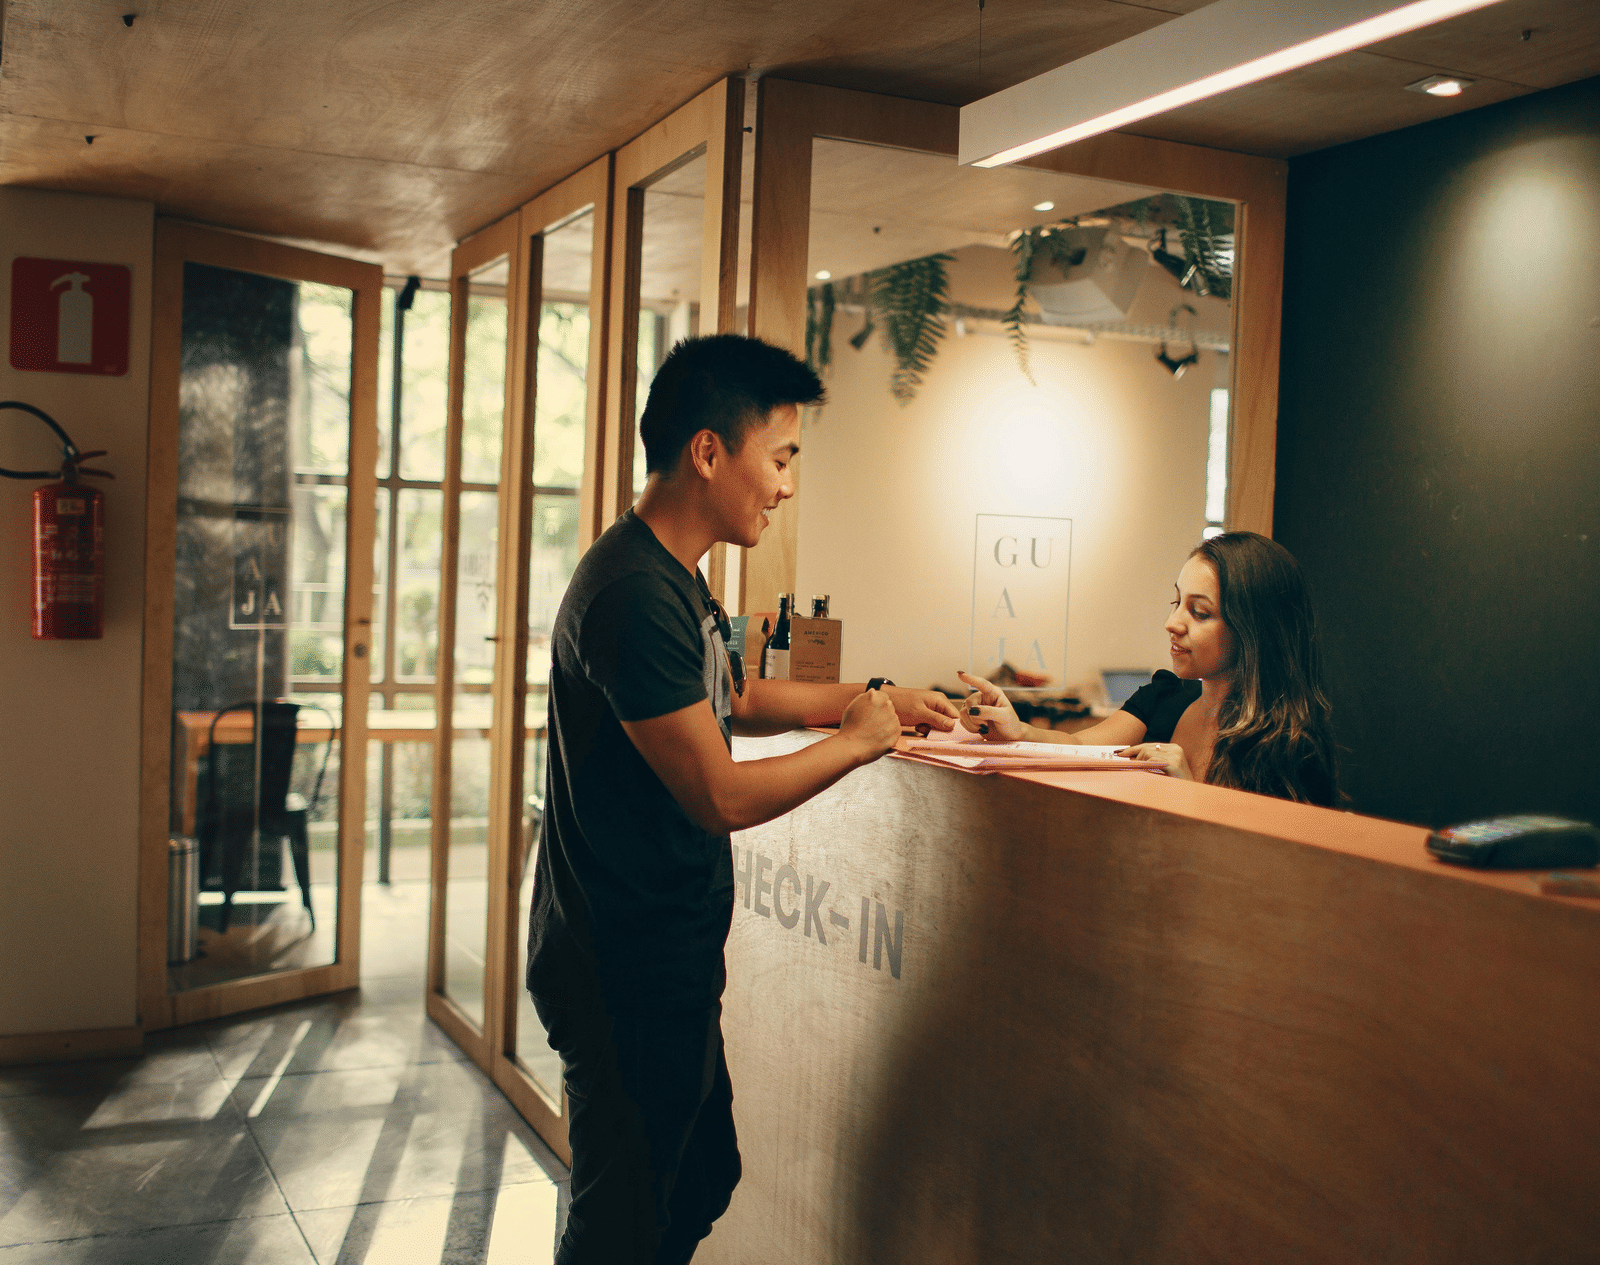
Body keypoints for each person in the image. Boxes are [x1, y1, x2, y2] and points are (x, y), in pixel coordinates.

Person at [526, 333, 959, 1265]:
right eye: (781, 456)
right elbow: (716, 794)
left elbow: (741, 699)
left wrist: (872, 698)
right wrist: (855, 744)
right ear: (709, 453)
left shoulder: (675, 579)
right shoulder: (634, 593)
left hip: (661, 957)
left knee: (700, 1175)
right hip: (621, 966)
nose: (787, 483)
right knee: (621, 1229)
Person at [958, 531, 1339, 806]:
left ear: (1253, 629)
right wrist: (1016, 729)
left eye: (1199, 612)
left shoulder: (1289, 744)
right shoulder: (1165, 696)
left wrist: (1189, 790)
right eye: (1176, 602)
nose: (1173, 623)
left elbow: (1271, 869)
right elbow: (1079, 747)